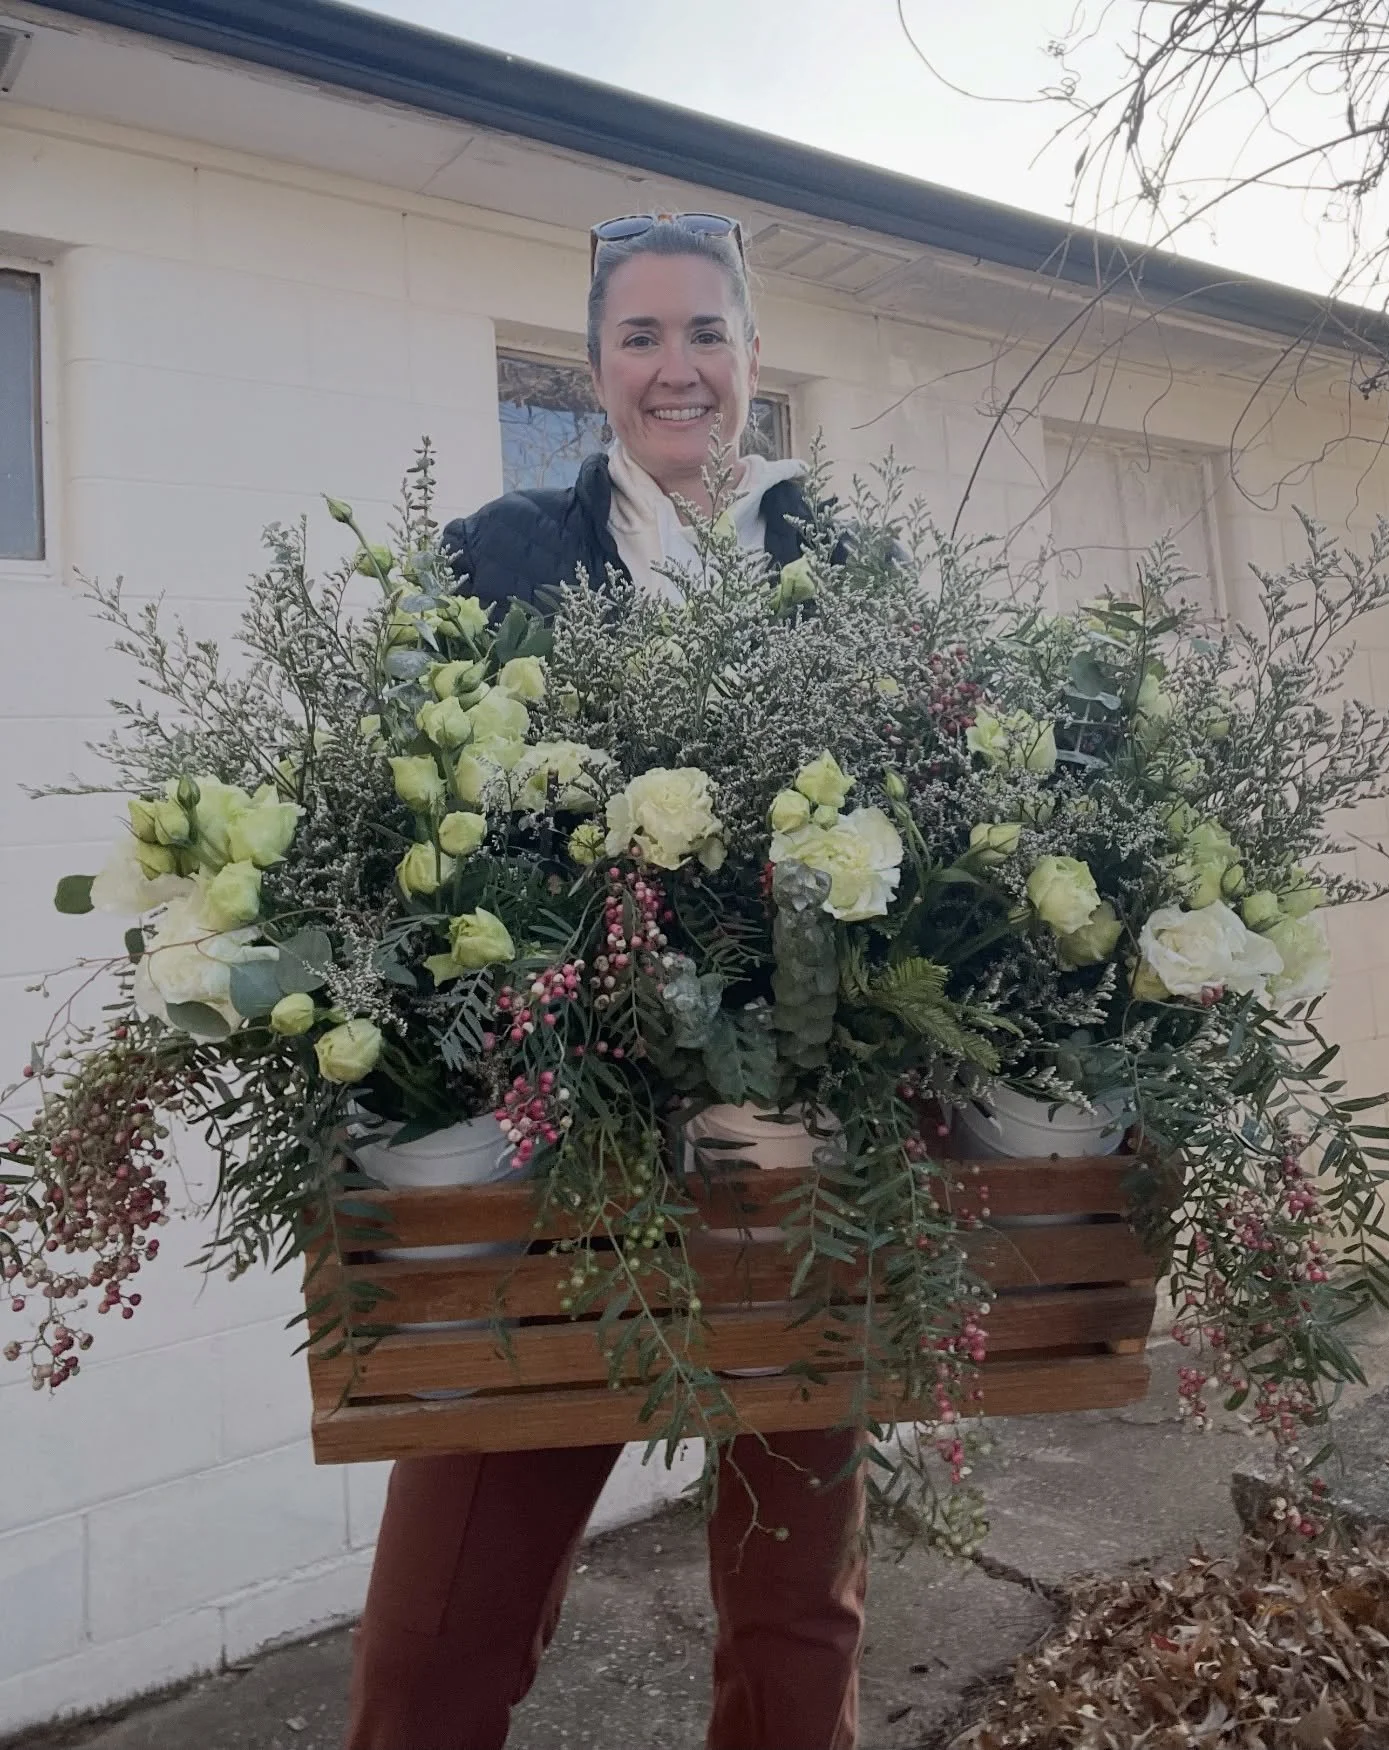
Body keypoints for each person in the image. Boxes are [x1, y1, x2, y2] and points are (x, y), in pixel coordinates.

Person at [344, 215, 868, 1750]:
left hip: (791, 1160)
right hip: (547, 1157)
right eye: (640, 338)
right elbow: (392, 813)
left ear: (753, 363)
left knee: (797, 1633)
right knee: (434, 1638)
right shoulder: (498, 554)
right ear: (593, 372)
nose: (677, 367)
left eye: (705, 332)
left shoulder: (836, 563)